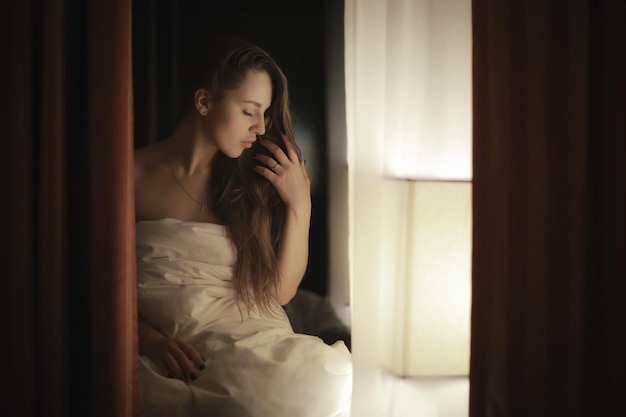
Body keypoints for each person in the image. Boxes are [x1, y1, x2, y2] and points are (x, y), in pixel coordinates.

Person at [133, 35, 352, 417]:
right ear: (204, 102)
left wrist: (300, 204)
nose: (260, 127)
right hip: (179, 343)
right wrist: (148, 340)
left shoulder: (252, 184)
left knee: (323, 382)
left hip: (255, 337)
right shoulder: (130, 175)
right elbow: (98, 282)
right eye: (249, 111)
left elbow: (280, 292)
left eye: (265, 113)